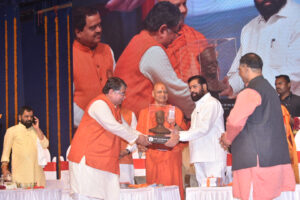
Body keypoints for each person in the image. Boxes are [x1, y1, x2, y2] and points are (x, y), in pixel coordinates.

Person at [220, 53, 295, 200]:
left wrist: (227, 139)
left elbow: (234, 122)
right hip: (272, 159)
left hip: (256, 161)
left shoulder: (250, 91)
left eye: (240, 70)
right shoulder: (271, 91)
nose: (240, 75)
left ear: (245, 68)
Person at [68, 77, 150, 200]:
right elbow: (114, 127)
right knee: (86, 196)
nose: (124, 97)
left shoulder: (114, 109)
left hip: (101, 160)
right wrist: (138, 139)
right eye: (122, 93)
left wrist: (144, 137)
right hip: (86, 160)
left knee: (107, 195)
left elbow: (126, 127)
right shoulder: (99, 104)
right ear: (111, 92)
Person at [114, 1, 195, 118]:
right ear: (162, 30)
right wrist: (202, 112)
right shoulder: (152, 50)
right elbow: (177, 92)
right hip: (140, 123)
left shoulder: (138, 40)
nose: (176, 38)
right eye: (176, 32)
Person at [223, 0, 300, 97]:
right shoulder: (249, 29)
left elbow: (294, 75)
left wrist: (250, 95)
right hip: (256, 107)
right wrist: (231, 87)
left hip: (291, 108)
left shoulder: (297, 18)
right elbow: (242, 70)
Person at [165, 75, 227, 187]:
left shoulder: (211, 103)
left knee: (214, 194)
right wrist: (176, 130)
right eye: (190, 88)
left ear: (204, 86)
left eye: (195, 87)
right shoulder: (196, 109)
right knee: (203, 194)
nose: (192, 90)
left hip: (212, 157)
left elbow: (203, 129)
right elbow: (194, 132)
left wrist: (178, 136)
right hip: (199, 156)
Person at [136, 82, 187, 199]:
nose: (162, 94)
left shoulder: (176, 111)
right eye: (159, 92)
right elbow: (140, 135)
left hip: (171, 158)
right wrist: (141, 145)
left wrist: (173, 123)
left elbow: (183, 134)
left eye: (165, 92)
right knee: (154, 191)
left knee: (172, 189)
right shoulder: (144, 113)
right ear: (153, 94)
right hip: (152, 157)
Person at [73, 7, 115, 127]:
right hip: (84, 128)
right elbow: (66, 104)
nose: (99, 30)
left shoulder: (107, 50)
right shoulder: (68, 57)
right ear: (78, 32)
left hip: (111, 125)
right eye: (93, 27)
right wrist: (90, 123)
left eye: (100, 25)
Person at [157, 0, 207, 83]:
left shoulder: (197, 37)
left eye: (184, 4)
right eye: (177, 6)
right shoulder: (155, 42)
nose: (183, 10)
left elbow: (211, 74)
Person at [1, 106, 49, 187]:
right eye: (26, 116)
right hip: (20, 177)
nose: (29, 119)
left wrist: (37, 129)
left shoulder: (36, 131)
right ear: (20, 117)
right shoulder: (11, 131)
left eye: (31, 116)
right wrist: (4, 169)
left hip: (37, 176)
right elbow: (5, 153)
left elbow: (45, 144)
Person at [119, 107, 138, 184]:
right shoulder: (103, 113)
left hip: (125, 160)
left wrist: (127, 150)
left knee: (127, 191)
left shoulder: (130, 114)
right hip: (106, 161)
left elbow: (136, 136)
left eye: (122, 94)